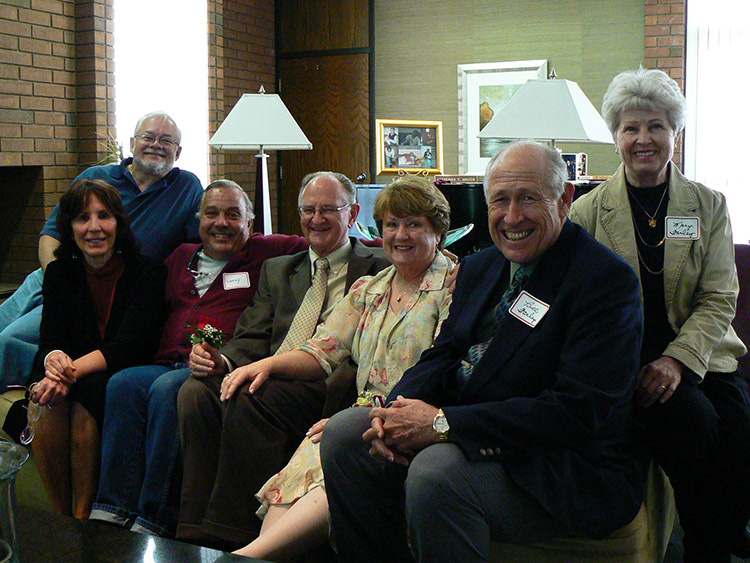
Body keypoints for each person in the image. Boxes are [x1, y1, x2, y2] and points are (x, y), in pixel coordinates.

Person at [321, 141, 645, 563]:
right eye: (500, 200)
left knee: (435, 475)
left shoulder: (605, 282)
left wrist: (443, 424)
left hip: (560, 464)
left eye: (529, 198)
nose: (512, 217)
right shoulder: (479, 267)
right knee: (346, 434)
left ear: (565, 199)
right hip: (471, 428)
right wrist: (391, 411)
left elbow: (576, 411)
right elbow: (444, 353)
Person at [570, 67, 750, 563]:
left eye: (656, 126)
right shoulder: (587, 213)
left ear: (676, 132)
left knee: (739, 433)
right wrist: (645, 364)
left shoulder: (708, 205)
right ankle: (708, 545)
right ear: (615, 135)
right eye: (631, 128)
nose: (643, 139)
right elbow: (583, 305)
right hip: (627, 363)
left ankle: (720, 534)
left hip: (701, 353)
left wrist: (676, 361)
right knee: (693, 426)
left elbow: (718, 299)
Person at [232, 177, 454, 561]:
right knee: (302, 469)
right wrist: (267, 365)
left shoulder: (452, 285)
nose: (400, 235)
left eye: (414, 224)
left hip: (407, 422)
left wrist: (365, 412)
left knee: (336, 452)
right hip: (356, 415)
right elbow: (320, 350)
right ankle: (250, 556)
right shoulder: (369, 288)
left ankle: (245, 557)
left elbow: (445, 366)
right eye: (390, 224)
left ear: (438, 231)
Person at [176, 171, 389, 549]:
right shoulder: (280, 269)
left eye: (329, 209)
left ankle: (232, 534)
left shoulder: (378, 265)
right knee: (196, 391)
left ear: (354, 213)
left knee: (253, 398)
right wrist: (222, 362)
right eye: (309, 209)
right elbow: (253, 334)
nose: (317, 219)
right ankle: (190, 529)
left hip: (331, 377)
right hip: (271, 370)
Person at [88, 180, 308, 537]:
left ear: (251, 224)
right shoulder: (179, 256)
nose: (221, 222)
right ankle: (113, 507)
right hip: (165, 361)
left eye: (233, 214)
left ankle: (154, 516)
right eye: (212, 213)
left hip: (215, 369)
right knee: (123, 383)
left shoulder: (266, 252)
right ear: (199, 220)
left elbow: (327, 238)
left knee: (165, 391)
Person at [0, 111, 203, 390]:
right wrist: (61, 282)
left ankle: (24, 396)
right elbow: (51, 235)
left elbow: (204, 241)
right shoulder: (97, 177)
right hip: (58, 274)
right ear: (132, 143)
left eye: (166, 140)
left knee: (9, 340)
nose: (156, 144)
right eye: (148, 137)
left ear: (178, 152)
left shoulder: (187, 188)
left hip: (118, 285)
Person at [28, 179, 167, 520]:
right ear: (69, 227)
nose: (93, 228)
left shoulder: (148, 271)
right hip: (71, 373)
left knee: (85, 391)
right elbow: (51, 337)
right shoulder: (60, 272)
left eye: (103, 216)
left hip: (120, 374)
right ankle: (62, 518)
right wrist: (54, 360)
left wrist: (68, 371)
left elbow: (131, 345)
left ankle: (83, 517)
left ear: (118, 222)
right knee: (45, 397)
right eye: (82, 218)